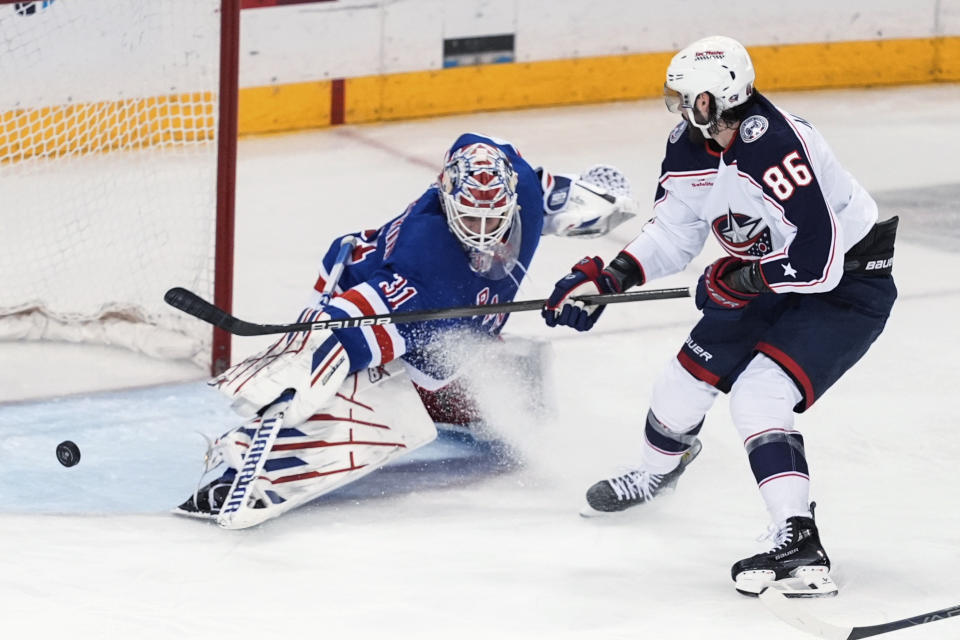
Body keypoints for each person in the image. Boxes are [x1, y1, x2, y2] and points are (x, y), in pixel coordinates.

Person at [542, 36, 897, 597]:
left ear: (713, 99)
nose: (678, 108)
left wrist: (744, 279)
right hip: (771, 273)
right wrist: (611, 278)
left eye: (686, 98)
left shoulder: (775, 146)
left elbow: (819, 261)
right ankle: (656, 474)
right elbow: (674, 231)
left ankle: (797, 535)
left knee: (759, 391)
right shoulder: (688, 145)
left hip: (847, 282)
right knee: (683, 381)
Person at [175, 132, 637, 529]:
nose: (481, 232)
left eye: (492, 219)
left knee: (509, 396)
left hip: (460, 339)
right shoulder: (428, 268)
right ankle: (256, 473)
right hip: (379, 300)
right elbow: (348, 329)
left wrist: (594, 206)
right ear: (447, 200)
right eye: (469, 219)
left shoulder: (525, 193)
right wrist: (303, 360)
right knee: (360, 409)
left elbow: (513, 166)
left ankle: (446, 397)